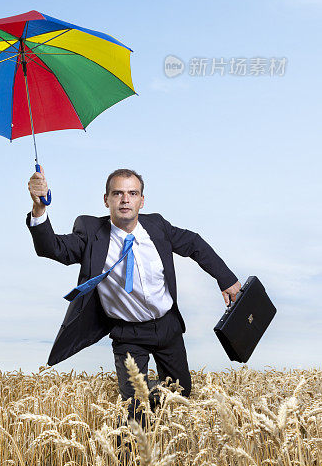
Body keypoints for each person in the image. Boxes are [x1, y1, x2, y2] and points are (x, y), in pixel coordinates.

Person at [26, 166, 241, 417]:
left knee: (180, 395)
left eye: (132, 193)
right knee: (135, 409)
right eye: (117, 193)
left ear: (141, 200)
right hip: (128, 333)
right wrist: (39, 208)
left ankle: (162, 429)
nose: (125, 199)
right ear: (106, 200)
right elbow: (53, 248)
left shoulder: (157, 226)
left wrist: (225, 279)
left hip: (167, 326)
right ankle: (133, 447)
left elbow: (194, 244)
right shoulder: (90, 233)